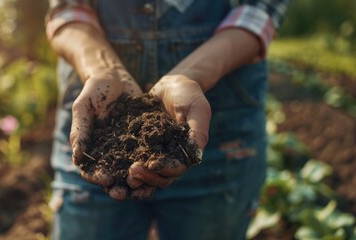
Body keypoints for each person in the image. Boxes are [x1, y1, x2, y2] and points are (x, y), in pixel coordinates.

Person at [46, 0, 289, 239]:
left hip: (221, 133)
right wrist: (103, 70)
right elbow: (67, 10)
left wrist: (188, 76)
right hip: (97, 119)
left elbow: (258, 11)